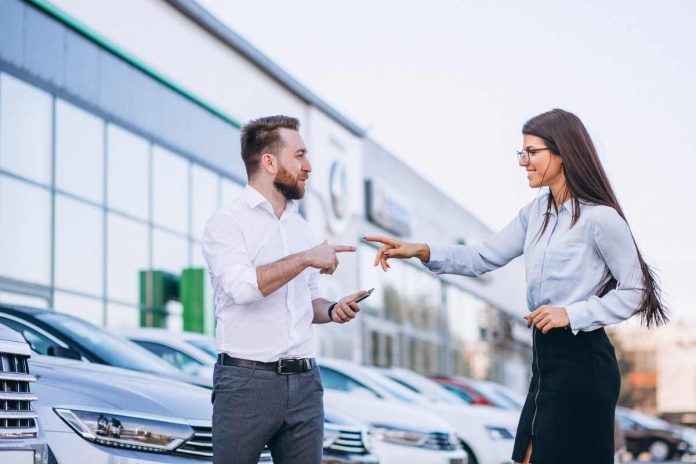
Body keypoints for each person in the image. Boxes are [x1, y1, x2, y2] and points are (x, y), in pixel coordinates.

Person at [364, 108, 668, 464]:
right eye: (521, 153)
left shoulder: (600, 219)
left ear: (562, 152)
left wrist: (570, 313)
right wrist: (422, 250)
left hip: (584, 361)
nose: (523, 162)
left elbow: (636, 291)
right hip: (546, 360)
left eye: (531, 152)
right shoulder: (535, 213)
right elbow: (482, 256)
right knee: (526, 456)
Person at [203, 115, 368, 464]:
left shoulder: (302, 228)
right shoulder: (227, 222)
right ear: (269, 161)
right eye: (300, 156)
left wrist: (333, 309)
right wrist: (306, 258)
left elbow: (309, 302)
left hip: (306, 384)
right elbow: (242, 288)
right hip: (246, 384)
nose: (308, 167)